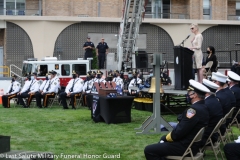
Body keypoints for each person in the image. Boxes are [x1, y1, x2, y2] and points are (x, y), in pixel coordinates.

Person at [144, 79, 210, 159]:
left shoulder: (193, 110)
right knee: (160, 145)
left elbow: (179, 132)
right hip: (193, 145)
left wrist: (166, 138)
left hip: (185, 146)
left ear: (194, 95)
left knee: (149, 150)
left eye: (189, 93)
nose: (187, 95)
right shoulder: (204, 107)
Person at [201, 79, 223, 146]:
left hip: (204, 138)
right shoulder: (215, 100)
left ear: (206, 91)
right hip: (212, 135)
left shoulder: (206, 104)